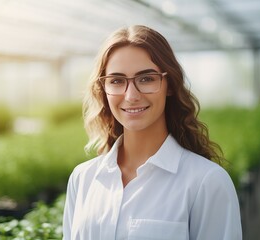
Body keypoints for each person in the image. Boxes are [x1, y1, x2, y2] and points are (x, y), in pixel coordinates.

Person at [63, 25, 242, 240]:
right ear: (104, 90)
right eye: (117, 81)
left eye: (146, 78)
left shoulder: (207, 182)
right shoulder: (83, 179)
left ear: (170, 85)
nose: (131, 96)